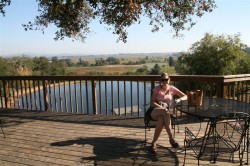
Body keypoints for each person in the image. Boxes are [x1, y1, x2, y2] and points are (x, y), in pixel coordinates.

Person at [146, 73, 187, 153]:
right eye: (162, 80)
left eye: (166, 79)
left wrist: (178, 100)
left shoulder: (172, 88)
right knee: (165, 111)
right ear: (160, 81)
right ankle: (171, 139)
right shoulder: (156, 89)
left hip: (164, 114)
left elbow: (185, 96)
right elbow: (152, 103)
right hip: (154, 110)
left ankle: (153, 143)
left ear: (169, 79)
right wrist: (162, 108)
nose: (164, 81)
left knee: (161, 119)